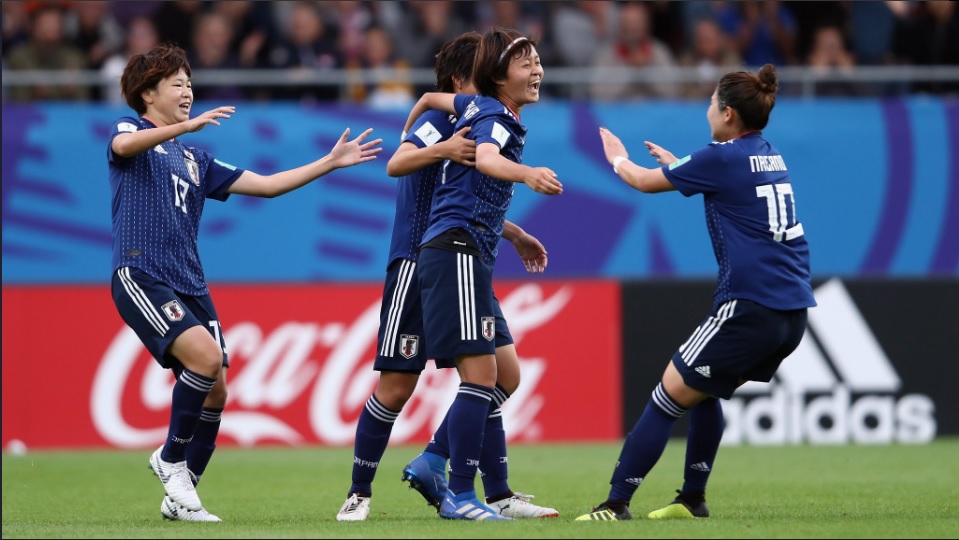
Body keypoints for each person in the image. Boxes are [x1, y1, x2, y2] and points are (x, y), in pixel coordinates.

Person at [108, 43, 381, 522]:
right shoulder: (132, 130)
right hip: (141, 273)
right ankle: (169, 459)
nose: (188, 91)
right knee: (207, 359)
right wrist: (182, 128)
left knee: (216, 390)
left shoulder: (194, 157)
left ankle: (182, 496)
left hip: (188, 281)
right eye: (177, 84)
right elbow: (122, 147)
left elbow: (268, 184)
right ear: (148, 94)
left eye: (190, 83)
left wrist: (328, 163)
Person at [576, 63, 815, 521]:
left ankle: (615, 504)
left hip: (750, 303)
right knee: (704, 391)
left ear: (726, 113)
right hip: (792, 310)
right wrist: (680, 166)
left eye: (710, 102)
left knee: (667, 395)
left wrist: (616, 158)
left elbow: (643, 183)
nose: (706, 108)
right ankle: (692, 499)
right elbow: (728, 177)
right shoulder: (769, 153)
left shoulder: (719, 158)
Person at [336, 31, 558, 523]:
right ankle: (361, 491)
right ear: (468, 77)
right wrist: (444, 146)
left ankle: (481, 484)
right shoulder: (450, 122)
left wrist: (514, 233)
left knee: (503, 373)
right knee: (398, 386)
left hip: (465, 252)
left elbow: (469, 197)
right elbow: (398, 163)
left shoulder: (476, 115)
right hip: (420, 259)